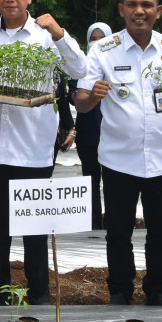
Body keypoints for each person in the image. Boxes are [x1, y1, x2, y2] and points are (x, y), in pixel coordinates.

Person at [0, 0, 87, 306]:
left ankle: (39, 292)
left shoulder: (45, 34)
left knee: (35, 228)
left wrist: (60, 34)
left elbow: (80, 70)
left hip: (34, 149)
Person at [76, 0, 162, 306]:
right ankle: (121, 290)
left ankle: (157, 289)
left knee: (161, 233)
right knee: (118, 233)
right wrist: (91, 96)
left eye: (147, 5)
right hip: (119, 159)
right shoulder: (102, 50)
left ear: (158, 12)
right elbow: (80, 102)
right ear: (121, 10)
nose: (140, 11)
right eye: (132, 4)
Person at [72, 22, 112, 230]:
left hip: (113, 135)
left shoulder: (115, 65)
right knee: (91, 182)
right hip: (88, 134)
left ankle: (113, 224)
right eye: (93, 39)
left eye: (101, 38)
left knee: (114, 183)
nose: (97, 43)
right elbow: (73, 95)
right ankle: (94, 225)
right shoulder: (80, 68)